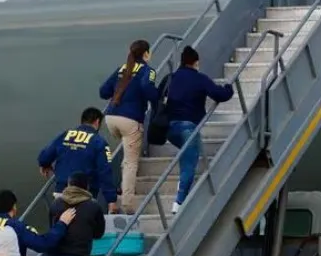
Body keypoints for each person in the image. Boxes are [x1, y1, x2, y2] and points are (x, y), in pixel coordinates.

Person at [164, 45, 234, 215]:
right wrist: (229, 87)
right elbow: (220, 95)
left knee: (186, 155)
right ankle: (178, 204)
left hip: (169, 128)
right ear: (196, 62)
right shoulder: (199, 78)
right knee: (189, 165)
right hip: (188, 127)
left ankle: (182, 191)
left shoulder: (171, 78)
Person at [98, 39, 160, 213]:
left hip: (111, 118)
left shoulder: (122, 69)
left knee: (127, 155)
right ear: (146, 54)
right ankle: (127, 204)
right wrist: (158, 100)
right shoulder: (148, 70)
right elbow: (147, 87)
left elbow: (103, 91)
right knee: (131, 162)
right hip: (130, 120)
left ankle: (121, 189)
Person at [37, 107, 118, 213]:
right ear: (97, 121)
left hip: (62, 192)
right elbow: (105, 172)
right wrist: (111, 200)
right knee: (83, 227)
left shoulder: (66, 135)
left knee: (62, 225)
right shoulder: (99, 142)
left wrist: (44, 164)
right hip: (84, 195)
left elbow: (44, 156)